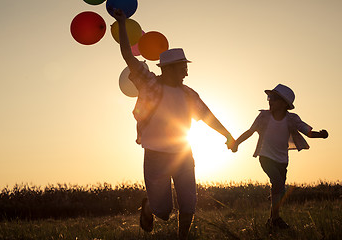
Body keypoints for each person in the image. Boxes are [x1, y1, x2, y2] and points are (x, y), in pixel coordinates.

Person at [111, 9, 235, 239]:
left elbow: (208, 116)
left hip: (183, 153)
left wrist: (227, 135)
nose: (186, 72)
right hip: (155, 154)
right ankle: (149, 207)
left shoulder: (189, 94)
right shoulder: (149, 84)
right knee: (163, 211)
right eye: (183, 67)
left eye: (186, 67)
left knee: (189, 204)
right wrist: (121, 22)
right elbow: (128, 56)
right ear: (168, 68)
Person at [231, 84, 328, 229]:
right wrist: (236, 143)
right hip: (265, 157)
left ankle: (272, 221)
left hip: (282, 160)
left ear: (284, 104)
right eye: (269, 97)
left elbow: (306, 132)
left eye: (274, 98)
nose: (269, 101)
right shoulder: (263, 116)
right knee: (277, 183)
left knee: (279, 189)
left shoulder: (292, 119)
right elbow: (250, 131)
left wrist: (320, 135)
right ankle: (276, 219)